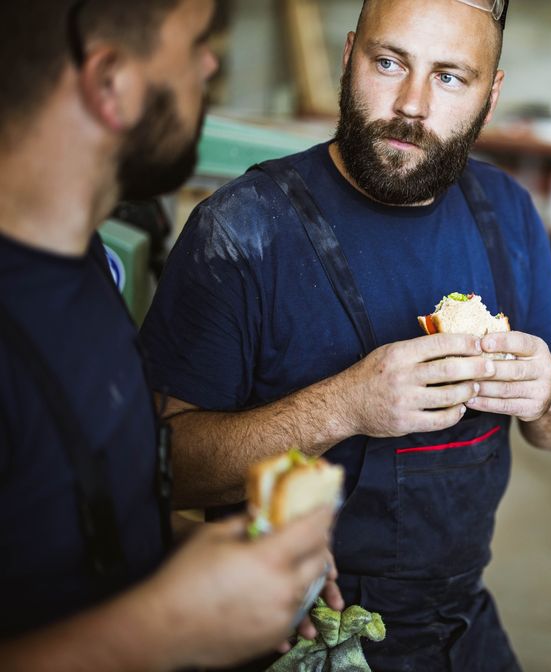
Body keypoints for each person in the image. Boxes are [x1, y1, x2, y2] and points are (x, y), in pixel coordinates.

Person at [140, 0, 551, 669]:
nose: (411, 105)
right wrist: (348, 406)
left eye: (450, 78)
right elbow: (160, 468)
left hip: (458, 625)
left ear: (490, 95)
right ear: (350, 53)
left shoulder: (507, 213)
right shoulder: (242, 230)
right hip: (292, 631)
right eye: (389, 63)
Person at [0, 1, 343, 669]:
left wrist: (216, 564)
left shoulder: (86, 268)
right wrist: (168, 623)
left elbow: (74, 526)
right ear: (110, 83)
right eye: (195, 44)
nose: (211, 65)